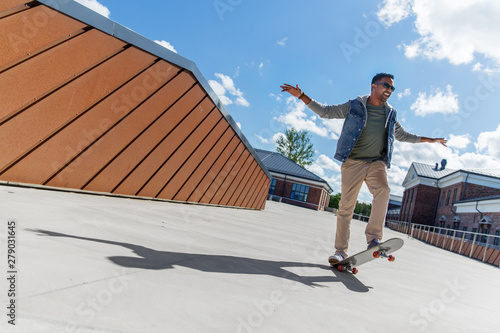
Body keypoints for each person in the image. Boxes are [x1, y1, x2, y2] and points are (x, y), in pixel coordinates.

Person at [280, 73, 447, 264]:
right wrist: (302, 96)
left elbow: (402, 135)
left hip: (377, 163)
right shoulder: (355, 105)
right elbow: (326, 112)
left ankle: (374, 239)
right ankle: (340, 251)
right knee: (346, 207)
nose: (389, 90)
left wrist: (430, 139)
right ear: (374, 86)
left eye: (392, 88)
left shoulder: (391, 113)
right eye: (386, 86)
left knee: (383, 190)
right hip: (353, 162)